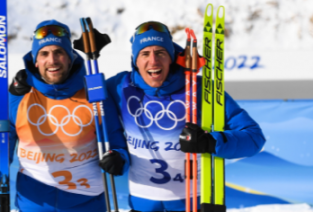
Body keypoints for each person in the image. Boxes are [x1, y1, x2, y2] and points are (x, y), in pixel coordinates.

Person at [105, 21, 266, 212]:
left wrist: (211, 142)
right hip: (142, 205)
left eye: (160, 53)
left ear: (172, 57)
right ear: (135, 60)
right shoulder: (118, 88)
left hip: (194, 203)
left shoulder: (202, 89)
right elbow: (112, 139)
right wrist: (116, 159)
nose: (153, 61)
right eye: (145, 54)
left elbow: (254, 138)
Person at [4, 20, 129, 212]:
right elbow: (1, 141)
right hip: (34, 202)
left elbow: (115, 140)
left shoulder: (94, 92)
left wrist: (118, 158)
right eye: (44, 53)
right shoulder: (19, 95)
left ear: (70, 57)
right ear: (35, 60)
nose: (52, 60)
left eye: (59, 52)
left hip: (87, 201)